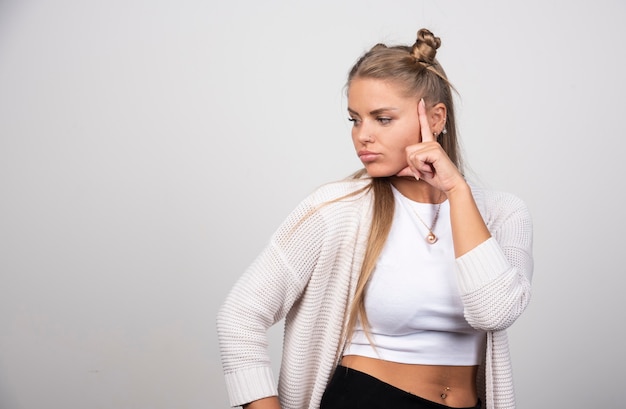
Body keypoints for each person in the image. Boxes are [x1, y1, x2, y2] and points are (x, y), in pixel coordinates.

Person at [217, 28, 533, 409]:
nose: (362, 136)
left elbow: (494, 312)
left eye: (382, 119)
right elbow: (239, 315)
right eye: (355, 119)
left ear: (434, 119)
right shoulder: (336, 209)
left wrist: (457, 191)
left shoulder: (503, 213)